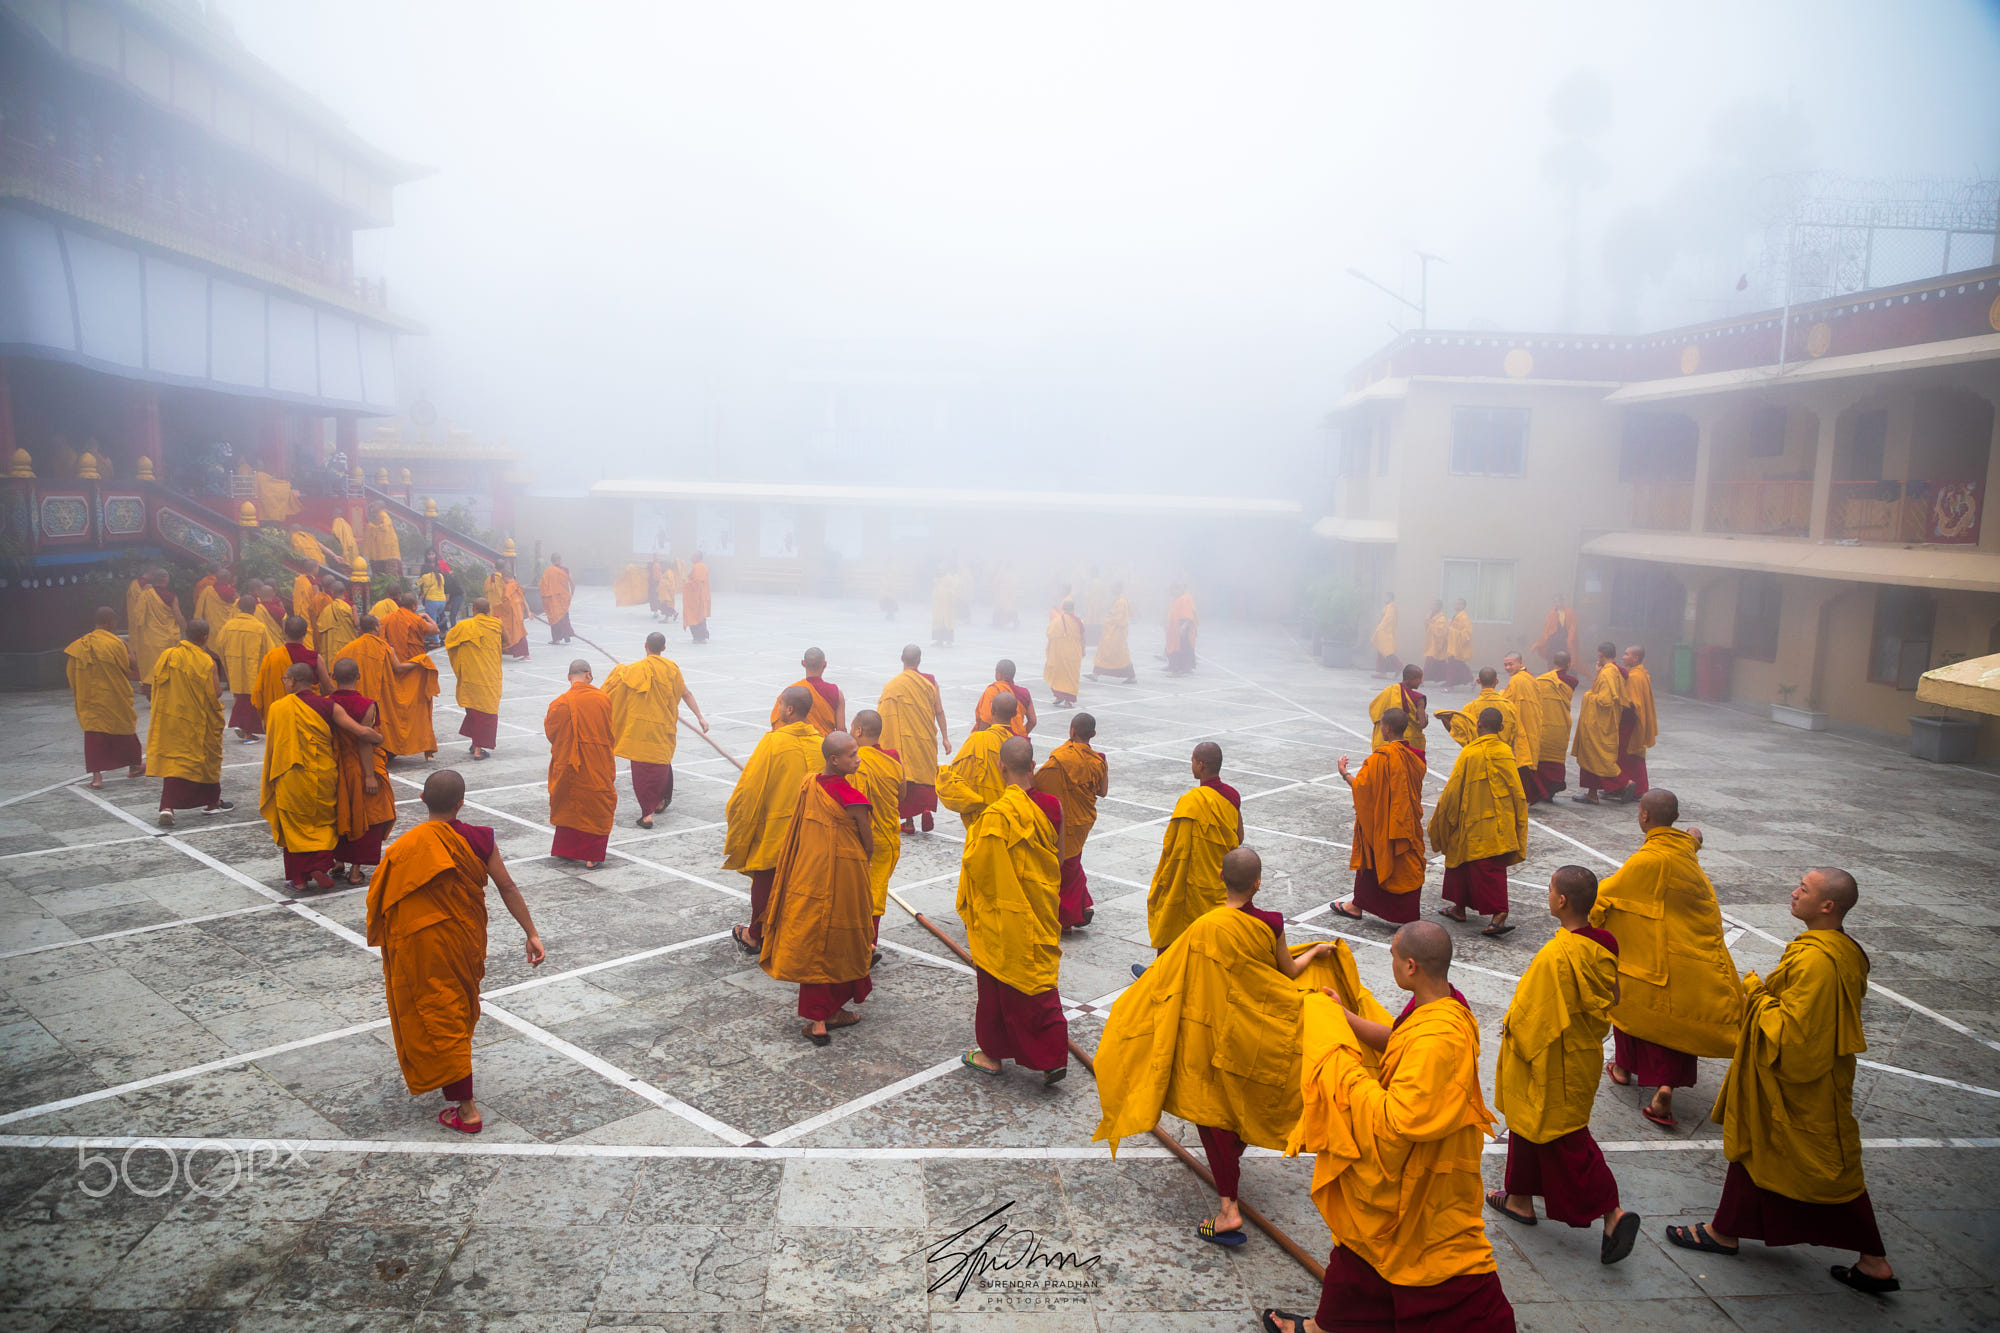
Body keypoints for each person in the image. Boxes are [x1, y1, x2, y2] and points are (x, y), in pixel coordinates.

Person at [1095, 848, 1360, 1246]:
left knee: (1212, 1107)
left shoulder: (1205, 927)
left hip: (1215, 1031)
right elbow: (1287, 972)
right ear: (1258, 883)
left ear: (1220, 876)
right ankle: (1231, 1182)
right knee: (1243, 1094)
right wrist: (1317, 952)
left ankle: (1228, 1211)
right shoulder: (1271, 923)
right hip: (1254, 1032)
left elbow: (1169, 976)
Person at [1260, 921, 1515, 1333]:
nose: (1391, 962)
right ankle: (1324, 1328)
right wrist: (1343, 1018)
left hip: (1422, 1181)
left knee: (1436, 1263)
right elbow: (1399, 1039)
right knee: (1360, 1247)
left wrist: (1342, 1069)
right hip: (1409, 1174)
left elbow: (1400, 1120)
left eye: (1394, 956)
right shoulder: (1444, 1007)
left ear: (1410, 966)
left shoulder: (1439, 1038)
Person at [1667, 867, 1898, 1295]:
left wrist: (1755, 994)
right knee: (1763, 1151)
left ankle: (1873, 1260)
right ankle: (1727, 1230)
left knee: (1825, 1169)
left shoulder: (1818, 961)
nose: (1794, 893)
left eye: (1804, 890)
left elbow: (1795, 1038)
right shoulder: (1838, 949)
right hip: (1806, 1079)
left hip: (1803, 1083)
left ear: (1827, 906)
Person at [367, 770, 545, 1135]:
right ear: (462, 803)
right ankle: (454, 1079)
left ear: (422, 801)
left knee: (437, 1008)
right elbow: (507, 886)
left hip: (424, 945)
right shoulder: (480, 839)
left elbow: (383, 903)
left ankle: (466, 1108)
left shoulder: (405, 848)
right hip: (464, 938)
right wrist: (532, 933)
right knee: (455, 1005)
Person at [1489, 865, 1640, 1263]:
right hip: (1582, 1054)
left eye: (1550, 889)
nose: (1548, 894)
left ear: (1560, 901)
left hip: (1550, 1054)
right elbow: (1615, 996)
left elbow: (1532, 1016)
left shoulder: (1558, 954)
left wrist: (1515, 1035)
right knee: (1528, 1121)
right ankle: (1519, 1199)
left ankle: (1612, 1212)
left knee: (1565, 1136)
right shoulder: (1605, 943)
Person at [1591, 790, 1745, 1128]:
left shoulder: (1648, 860)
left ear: (1644, 817)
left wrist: (1590, 920)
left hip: (1650, 955)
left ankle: (1622, 1068)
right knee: (1679, 1025)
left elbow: (1606, 894)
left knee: (1632, 1005)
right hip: (1688, 953)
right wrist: (1695, 839)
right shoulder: (1682, 851)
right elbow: (1690, 842)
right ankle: (1664, 1088)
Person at [959, 736, 1068, 1084]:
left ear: (1000, 766)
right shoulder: (1052, 806)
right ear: (1033, 766)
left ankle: (991, 1055)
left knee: (996, 981)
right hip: (1040, 904)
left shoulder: (995, 816)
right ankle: (1052, 1055)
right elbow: (1060, 858)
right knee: (1037, 979)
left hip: (1004, 913)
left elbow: (978, 868)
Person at [761, 731, 878, 1044]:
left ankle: (818, 1022)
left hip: (809, 875)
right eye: (852, 755)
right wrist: (858, 863)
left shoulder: (810, 784)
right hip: (844, 877)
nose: (858, 759)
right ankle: (832, 1012)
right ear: (834, 759)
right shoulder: (853, 799)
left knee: (814, 940)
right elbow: (868, 844)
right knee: (842, 938)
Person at [260, 662, 382, 891]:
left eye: (285, 679)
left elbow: (274, 744)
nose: (284, 683)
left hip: (290, 775)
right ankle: (320, 862)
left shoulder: (277, 708)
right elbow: (359, 731)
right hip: (323, 774)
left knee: (294, 824)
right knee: (323, 820)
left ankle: (299, 880)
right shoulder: (329, 706)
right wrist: (379, 739)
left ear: (293, 681)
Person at [725, 686, 824, 952]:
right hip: (813, 830)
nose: (778, 709)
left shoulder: (773, 741)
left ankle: (755, 935)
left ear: (789, 709)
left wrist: (737, 816)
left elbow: (750, 788)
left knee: (767, 879)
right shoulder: (822, 742)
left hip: (777, 829)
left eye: (780, 704)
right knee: (803, 883)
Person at [1140, 742, 1243, 971]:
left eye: (1192, 761)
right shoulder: (1231, 795)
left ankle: (1163, 974)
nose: (1192, 766)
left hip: (1191, 882)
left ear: (1201, 765)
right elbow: (1239, 836)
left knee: (1175, 923)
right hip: (1219, 882)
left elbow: (1173, 847)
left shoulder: (1190, 801)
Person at [1430, 708, 1528, 937]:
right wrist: (1518, 818)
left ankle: (1500, 914)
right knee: (1470, 864)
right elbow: (1516, 790)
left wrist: (1443, 816)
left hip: (1472, 819)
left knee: (1479, 865)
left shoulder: (1469, 753)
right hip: (1500, 820)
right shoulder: (1506, 751)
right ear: (1501, 728)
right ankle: (1459, 908)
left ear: (1479, 725)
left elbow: (1453, 789)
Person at [1329, 708, 1428, 924]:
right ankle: (1372, 907)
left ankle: (1357, 905)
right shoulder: (1415, 756)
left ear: (1387, 728)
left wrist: (1344, 772)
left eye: (1381, 724)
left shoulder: (1378, 759)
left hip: (1384, 823)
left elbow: (1361, 788)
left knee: (1374, 852)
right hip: (1406, 823)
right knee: (1405, 861)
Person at [605, 632, 706, 828]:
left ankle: (647, 814)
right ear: (664, 648)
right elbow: (686, 693)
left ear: (645, 646)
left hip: (640, 728)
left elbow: (613, 690)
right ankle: (660, 801)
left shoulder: (633, 670)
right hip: (663, 726)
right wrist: (700, 717)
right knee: (661, 763)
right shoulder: (671, 668)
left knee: (642, 770)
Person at [146, 621, 230, 826]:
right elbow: (216, 692)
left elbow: (154, 685)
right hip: (197, 719)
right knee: (206, 758)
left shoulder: (167, 656)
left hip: (171, 717)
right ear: (204, 638)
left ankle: (168, 807)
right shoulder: (206, 660)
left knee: (175, 761)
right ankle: (212, 803)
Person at [1033, 713, 1107, 931]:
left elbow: (1038, 783)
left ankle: (1066, 918)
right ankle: (1082, 907)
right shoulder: (1098, 760)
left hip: (1064, 821)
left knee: (1065, 867)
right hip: (1082, 820)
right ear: (1093, 734)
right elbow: (1103, 792)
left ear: (1071, 731)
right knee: (1073, 863)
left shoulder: (1060, 759)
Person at [327, 657, 397, 884]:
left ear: (333, 677)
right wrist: (369, 775)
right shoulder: (366, 705)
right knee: (362, 815)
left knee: (337, 812)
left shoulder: (326, 703)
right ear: (358, 676)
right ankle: (355, 871)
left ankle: (337, 862)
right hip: (358, 766)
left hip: (332, 765)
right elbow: (364, 741)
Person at [544, 659, 616, 868]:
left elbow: (552, 734)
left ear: (569, 678)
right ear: (589, 675)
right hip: (596, 762)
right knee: (597, 803)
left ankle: (567, 850)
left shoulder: (558, 704)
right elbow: (608, 729)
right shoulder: (602, 698)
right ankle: (592, 856)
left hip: (567, 763)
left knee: (569, 803)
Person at [66, 607, 144, 787]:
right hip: (114, 696)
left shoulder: (79, 645)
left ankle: (97, 778)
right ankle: (134, 766)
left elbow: (71, 674)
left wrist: (81, 690)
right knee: (124, 730)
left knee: (94, 735)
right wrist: (130, 652)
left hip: (90, 698)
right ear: (110, 622)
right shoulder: (116, 643)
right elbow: (130, 666)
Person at [877, 645, 950, 834]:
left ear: (902, 658)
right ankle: (926, 809)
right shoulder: (930, 681)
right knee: (925, 770)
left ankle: (908, 822)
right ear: (919, 660)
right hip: (924, 736)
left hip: (902, 739)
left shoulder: (892, 685)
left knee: (906, 774)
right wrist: (945, 738)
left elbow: (882, 715)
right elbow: (939, 711)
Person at [349, 613, 440, 761]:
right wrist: (420, 662)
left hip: (358, 696)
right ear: (376, 627)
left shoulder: (349, 648)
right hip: (380, 695)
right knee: (385, 717)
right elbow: (398, 668)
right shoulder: (385, 648)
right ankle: (384, 748)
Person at [847, 710, 904, 943]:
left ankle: (864, 946)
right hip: (888, 837)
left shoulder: (854, 761)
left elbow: (849, 802)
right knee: (876, 892)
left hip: (862, 837)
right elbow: (902, 795)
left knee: (858, 894)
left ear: (858, 731)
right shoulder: (893, 760)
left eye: (852, 728)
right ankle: (868, 943)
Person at [938, 690, 1019, 827]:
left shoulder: (977, 739)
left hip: (980, 816)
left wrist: (940, 773)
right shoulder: (1019, 745)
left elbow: (957, 775)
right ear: (1015, 714)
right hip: (1008, 815)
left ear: (992, 711)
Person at [444, 598, 505, 760]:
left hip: (471, 676)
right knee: (486, 712)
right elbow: (506, 641)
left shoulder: (464, 626)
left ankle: (474, 744)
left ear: (474, 610)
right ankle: (478, 750)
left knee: (474, 709)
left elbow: (449, 642)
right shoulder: (496, 625)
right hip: (490, 677)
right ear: (489, 610)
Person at [1570, 641, 1630, 805]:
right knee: (1590, 757)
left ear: (1600, 655)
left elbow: (1605, 700)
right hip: (1602, 721)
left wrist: (1589, 695)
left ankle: (1626, 783)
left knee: (1601, 758)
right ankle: (1592, 794)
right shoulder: (1612, 671)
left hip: (1599, 724)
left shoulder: (1608, 673)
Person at [215, 595, 278, 742]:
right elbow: (270, 650)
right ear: (255, 608)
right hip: (253, 669)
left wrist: (229, 660)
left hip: (235, 668)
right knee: (251, 699)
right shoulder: (259, 627)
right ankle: (246, 732)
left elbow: (219, 644)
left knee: (240, 697)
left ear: (238, 608)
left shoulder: (229, 625)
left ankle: (241, 725)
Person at [1442, 667, 1521, 753]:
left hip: (1477, 754)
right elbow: (1515, 733)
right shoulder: (1509, 706)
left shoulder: (1469, 707)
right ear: (1497, 681)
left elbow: (1462, 734)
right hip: (1503, 754)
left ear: (1478, 681)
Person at [769, 647, 845, 734]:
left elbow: (779, 723)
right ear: (824, 664)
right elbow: (841, 730)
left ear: (803, 663)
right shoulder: (836, 693)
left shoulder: (790, 692)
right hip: (825, 745)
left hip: (796, 744)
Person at [1534, 650, 1578, 799]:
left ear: (1553, 663)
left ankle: (1542, 789)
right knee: (1556, 757)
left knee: (1542, 757)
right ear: (1569, 664)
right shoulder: (1572, 681)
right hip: (1561, 724)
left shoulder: (1541, 680)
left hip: (1544, 724)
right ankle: (1553, 785)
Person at [129, 567, 185, 682]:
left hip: (150, 639)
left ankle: (151, 690)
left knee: (153, 669)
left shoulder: (145, 594)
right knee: (168, 668)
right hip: (168, 638)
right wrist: (187, 630)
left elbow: (138, 617)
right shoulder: (171, 597)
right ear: (166, 579)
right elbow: (178, 616)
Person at [1617, 645, 1659, 799]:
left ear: (1636, 658)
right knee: (1635, 756)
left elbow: (1632, 703)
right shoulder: (1641, 673)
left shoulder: (1635, 677)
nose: (1623, 657)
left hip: (1631, 722)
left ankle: (1634, 787)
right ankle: (1637, 787)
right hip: (1638, 721)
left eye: (1626, 654)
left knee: (1628, 755)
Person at [1368, 663, 1429, 759]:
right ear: (1410, 678)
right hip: (1409, 742)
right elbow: (1422, 724)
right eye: (1418, 678)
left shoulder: (1389, 691)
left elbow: (1374, 710)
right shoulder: (1419, 699)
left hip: (1387, 739)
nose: (1421, 682)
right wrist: (1426, 719)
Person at [975, 659, 1037, 737]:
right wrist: (1021, 735)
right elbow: (1033, 721)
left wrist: (981, 740)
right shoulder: (1024, 692)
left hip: (996, 739)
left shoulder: (992, 690)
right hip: (1017, 742)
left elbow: (986, 720)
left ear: (998, 674)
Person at [1089, 582, 1136, 682]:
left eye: (1114, 588)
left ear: (1119, 588)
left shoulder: (1121, 601)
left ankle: (1131, 676)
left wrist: (1106, 619)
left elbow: (1119, 618)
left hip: (1117, 633)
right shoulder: (1118, 600)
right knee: (1104, 651)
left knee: (1119, 653)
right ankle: (1095, 674)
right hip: (1112, 631)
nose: (1112, 590)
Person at [1042, 596, 1085, 707]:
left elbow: (1049, 634)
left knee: (1059, 674)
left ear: (1063, 608)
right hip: (1074, 652)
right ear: (1073, 608)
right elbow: (1083, 637)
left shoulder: (1058, 620)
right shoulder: (1079, 621)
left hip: (1060, 653)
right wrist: (1083, 649)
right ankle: (1064, 699)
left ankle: (1064, 698)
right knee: (1071, 676)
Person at [384, 594, 439, 666]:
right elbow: (436, 630)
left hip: (394, 662)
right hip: (413, 662)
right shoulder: (416, 619)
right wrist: (426, 616)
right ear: (413, 606)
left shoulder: (388, 618)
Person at [316, 577, 357, 663]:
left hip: (333, 646)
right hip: (348, 642)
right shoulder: (351, 605)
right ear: (344, 591)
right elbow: (357, 623)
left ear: (332, 593)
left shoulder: (328, 609)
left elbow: (320, 627)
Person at [1533, 594, 1579, 669]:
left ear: (1562, 602)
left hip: (1565, 639)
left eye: (1559, 601)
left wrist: (1570, 639)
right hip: (1554, 640)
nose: (1558, 604)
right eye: (1556, 602)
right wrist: (1543, 640)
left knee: (1566, 657)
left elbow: (1572, 627)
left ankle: (1566, 674)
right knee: (1552, 657)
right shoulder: (1552, 613)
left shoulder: (1569, 612)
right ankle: (1551, 673)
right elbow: (1547, 628)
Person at [538, 555, 576, 645]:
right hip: (563, 598)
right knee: (564, 617)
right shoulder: (565, 570)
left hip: (553, 599)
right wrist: (571, 594)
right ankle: (566, 635)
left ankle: (557, 639)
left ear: (551, 561)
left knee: (554, 619)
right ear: (559, 559)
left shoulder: (548, 571)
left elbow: (542, 584)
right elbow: (572, 583)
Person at [1165, 583, 1198, 675]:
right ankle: (1175, 666)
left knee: (1183, 648)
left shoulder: (1185, 598)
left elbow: (1189, 615)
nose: (1172, 592)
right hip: (1176, 626)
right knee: (1178, 647)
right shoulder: (1178, 598)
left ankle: (1182, 668)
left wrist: (1183, 626)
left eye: (1174, 590)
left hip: (1183, 626)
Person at [496, 570, 531, 659]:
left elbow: (505, 602)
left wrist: (497, 609)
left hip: (512, 614)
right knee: (520, 632)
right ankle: (524, 654)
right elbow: (523, 599)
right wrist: (528, 611)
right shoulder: (517, 585)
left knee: (515, 633)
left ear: (505, 577)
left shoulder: (508, 587)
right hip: (519, 613)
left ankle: (526, 655)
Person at [1444, 597, 1474, 691]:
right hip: (1454, 645)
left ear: (1464, 606)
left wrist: (1451, 631)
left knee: (1452, 666)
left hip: (1458, 646)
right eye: (1456, 604)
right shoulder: (1458, 615)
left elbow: (1467, 633)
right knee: (1459, 665)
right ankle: (1471, 681)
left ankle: (1450, 687)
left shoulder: (1463, 617)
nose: (1457, 606)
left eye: (1459, 604)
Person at [683, 550, 711, 643]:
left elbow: (697, 582)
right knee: (700, 616)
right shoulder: (701, 566)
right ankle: (700, 637)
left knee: (695, 616)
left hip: (698, 596)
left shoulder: (698, 567)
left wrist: (686, 585)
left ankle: (699, 637)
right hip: (700, 596)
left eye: (693, 556)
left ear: (698, 557)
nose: (691, 558)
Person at [1369, 593, 1399, 677]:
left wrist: (1380, 628)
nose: (1384, 599)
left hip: (1386, 633)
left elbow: (1388, 620)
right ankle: (1382, 672)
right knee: (1381, 652)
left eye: (1386, 597)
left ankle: (1400, 666)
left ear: (1390, 598)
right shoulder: (1388, 607)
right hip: (1384, 632)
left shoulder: (1391, 607)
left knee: (1388, 652)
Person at [363, 506, 401, 572]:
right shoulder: (381, 517)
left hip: (386, 554)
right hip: (382, 553)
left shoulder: (383, 516)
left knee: (388, 571)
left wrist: (371, 526)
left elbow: (384, 528)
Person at [1421, 597, 1449, 684]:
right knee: (1439, 664)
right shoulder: (1433, 617)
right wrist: (1428, 621)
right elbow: (1427, 628)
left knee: (1429, 663)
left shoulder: (1442, 619)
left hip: (1437, 645)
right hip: (1432, 643)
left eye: (1433, 605)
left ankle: (1420, 680)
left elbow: (1441, 632)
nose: (1431, 607)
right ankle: (1447, 679)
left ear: (1438, 607)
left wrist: (1430, 623)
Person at [416, 560, 445, 630]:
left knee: (432, 622)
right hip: (442, 601)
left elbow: (416, 585)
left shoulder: (424, 576)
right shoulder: (440, 575)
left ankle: (435, 639)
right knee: (434, 619)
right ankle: (434, 635)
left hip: (431, 601)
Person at [930, 567, 957, 645]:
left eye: (941, 570)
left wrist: (946, 592)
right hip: (938, 609)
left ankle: (948, 640)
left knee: (947, 623)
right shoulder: (938, 582)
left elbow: (953, 591)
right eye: (938, 570)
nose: (940, 572)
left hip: (947, 608)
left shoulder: (949, 580)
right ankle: (939, 640)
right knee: (938, 623)